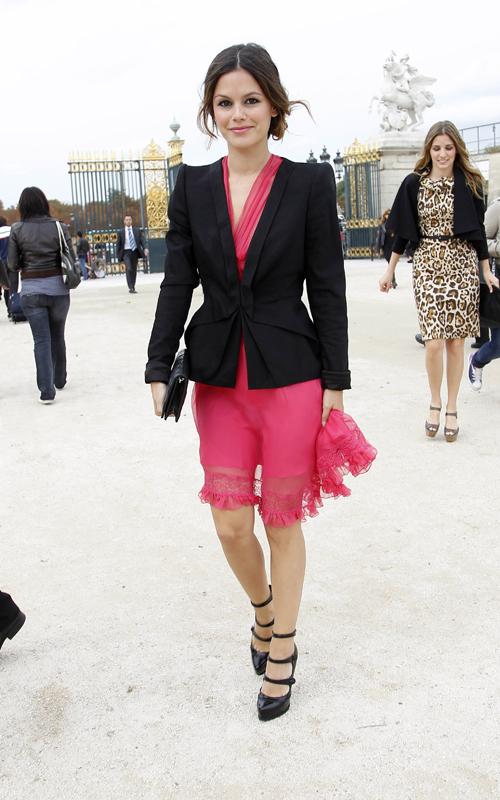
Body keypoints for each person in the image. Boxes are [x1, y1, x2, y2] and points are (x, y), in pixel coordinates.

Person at [146, 43, 352, 721]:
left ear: (273, 106)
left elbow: (327, 283)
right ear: (212, 112)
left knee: (282, 520)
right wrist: (157, 362)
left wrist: (335, 378)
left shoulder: (309, 184)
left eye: (251, 100)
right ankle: (263, 608)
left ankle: (283, 645)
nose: (238, 114)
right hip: (218, 377)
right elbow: (178, 279)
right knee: (232, 524)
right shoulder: (192, 185)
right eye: (225, 102)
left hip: (291, 373)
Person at [379, 120, 498, 442]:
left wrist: (486, 270)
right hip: (428, 263)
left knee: (456, 341)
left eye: (448, 148)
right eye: (437, 148)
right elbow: (403, 233)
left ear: (456, 150)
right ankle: (434, 402)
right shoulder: (414, 184)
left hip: (461, 264)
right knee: (433, 341)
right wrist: (390, 270)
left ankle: (452, 407)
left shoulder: (470, 183)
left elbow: (478, 232)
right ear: (428, 150)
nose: (443, 154)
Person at [8, 187, 75, 403]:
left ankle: (46, 391)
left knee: (41, 340)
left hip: (32, 291)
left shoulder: (17, 229)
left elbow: (12, 264)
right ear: (44, 203)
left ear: (23, 206)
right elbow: (71, 257)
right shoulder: (59, 227)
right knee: (58, 336)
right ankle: (60, 379)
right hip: (58, 289)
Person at [468, 196, 500, 390]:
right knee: (498, 344)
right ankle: (477, 360)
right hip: (498, 280)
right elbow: (480, 241)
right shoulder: (498, 208)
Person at [116, 215, 147, 293]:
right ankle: (130, 287)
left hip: (134, 252)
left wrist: (145, 248)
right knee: (129, 268)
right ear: (124, 221)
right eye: (126, 220)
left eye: (129, 219)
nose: (128, 221)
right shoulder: (121, 232)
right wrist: (118, 255)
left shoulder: (137, 230)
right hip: (126, 252)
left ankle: (133, 286)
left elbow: (142, 240)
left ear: (131, 221)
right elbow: (118, 245)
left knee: (133, 270)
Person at [0, 215, 11, 314]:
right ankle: (13, 308)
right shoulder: (12, 230)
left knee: (6, 287)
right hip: (12, 261)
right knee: (14, 286)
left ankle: (9, 309)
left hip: (2, 264)